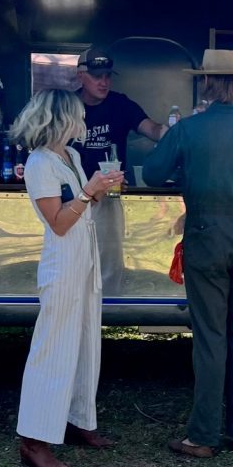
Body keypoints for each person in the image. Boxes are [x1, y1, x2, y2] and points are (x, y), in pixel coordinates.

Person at [142, 49, 233, 458]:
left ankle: (202, 435)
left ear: (205, 83)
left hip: (206, 240)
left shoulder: (189, 130)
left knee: (210, 340)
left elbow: (151, 174)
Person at [9, 88, 124, 467]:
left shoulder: (71, 156)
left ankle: (78, 420)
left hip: (85, 260)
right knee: (53, 347)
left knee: (86, 340)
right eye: (78, 115)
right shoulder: (40, 164)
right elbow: (58, 224)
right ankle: (33, 439)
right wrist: (89, 191)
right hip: (63, 262)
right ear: (62, 119)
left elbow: (81, 206)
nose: (84, 122)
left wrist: (98, 191)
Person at [74, 45, 167, 295]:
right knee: (74, 261)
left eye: (107, 76)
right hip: (73, 197)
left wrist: (177, 130)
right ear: (80, 74)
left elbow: (154, 130)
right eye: (97, 76)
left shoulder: (121, 104)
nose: (104, 82)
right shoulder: (68, 107)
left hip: (110, 197)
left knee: (109, 263)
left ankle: (105, 313)